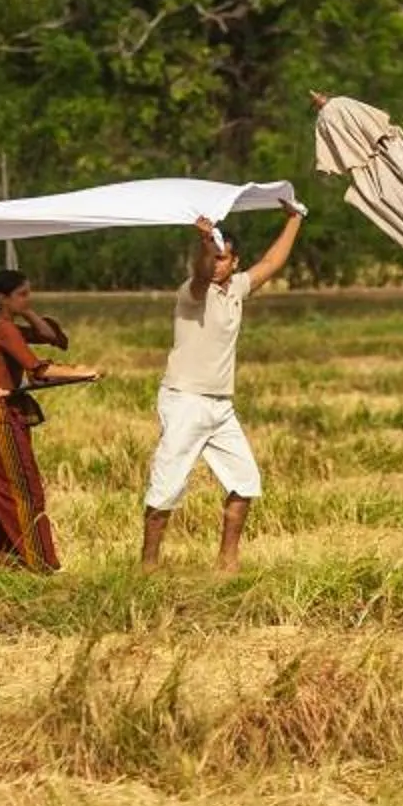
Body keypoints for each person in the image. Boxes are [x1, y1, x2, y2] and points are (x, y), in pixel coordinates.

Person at [142, 205, 303, 571]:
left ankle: (227, 561)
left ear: (234, 262)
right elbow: (200, 274)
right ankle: (147, 566)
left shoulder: (238, 288)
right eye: (213, 258)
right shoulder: (193, 291)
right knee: (167, 487)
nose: (216, 265)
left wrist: (295, 218)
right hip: (185, 401)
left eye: (223, 259)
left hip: (220, 405)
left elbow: (272, 262)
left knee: (246, 482)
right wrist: (204, 243)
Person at [0, 269, 94, 572]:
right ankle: (38, 561)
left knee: (2, 488)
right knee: (22, 489)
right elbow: (38, 370)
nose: (29, 299)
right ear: (3, 297)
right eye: (22, 294)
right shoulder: (4, 330)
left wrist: (27, 311)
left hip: (3, 413)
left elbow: (52, 337)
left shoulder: (7, 326)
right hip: (0, 414)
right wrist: (83, 373)